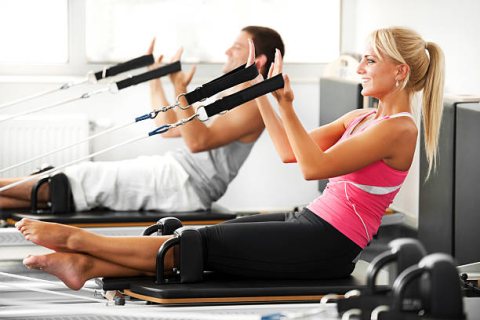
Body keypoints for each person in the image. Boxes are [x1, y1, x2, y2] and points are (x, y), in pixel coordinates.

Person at [15, 26, 444, 290]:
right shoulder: (362, 117)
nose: (361, 67)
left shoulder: (399, 129)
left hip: (330, 243)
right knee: (214, 233)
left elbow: (313, 165)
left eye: (370, 60)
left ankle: (76, 241)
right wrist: (263, 94)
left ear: (400, 71)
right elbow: (287, 154)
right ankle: (84, 265)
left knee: (203, 244)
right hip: (312, 221)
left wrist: (287, 106)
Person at [0, 26, 285, 212]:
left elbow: (198, 142)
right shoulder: (234, 96)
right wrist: (156, 79)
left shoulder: (252, 105)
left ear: (257, 61)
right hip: (176, 172)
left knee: (80, 179)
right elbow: (170, 129)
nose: (226, 51)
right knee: (68, 178)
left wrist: (181, 89)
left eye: (235, 47)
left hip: (187, 185)